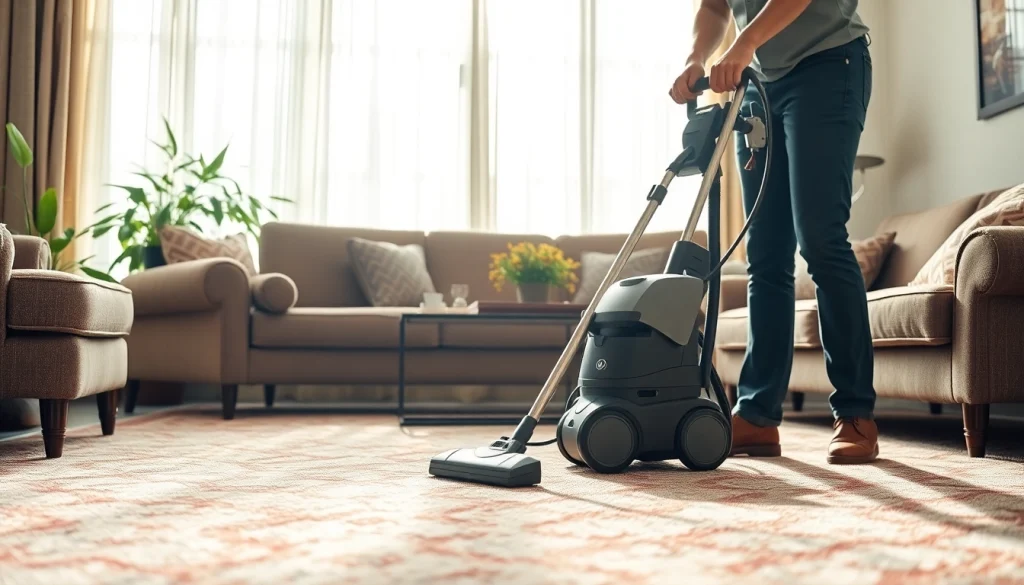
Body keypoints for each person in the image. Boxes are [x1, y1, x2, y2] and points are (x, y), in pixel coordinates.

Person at [669, 0, 878, 464]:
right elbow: (715, 7)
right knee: (765, 254)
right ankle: (758, 416)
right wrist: (696, 58)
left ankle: (856, 412)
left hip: (828, 64)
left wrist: (742, 45)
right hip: (760, 84)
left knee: (821, 240)